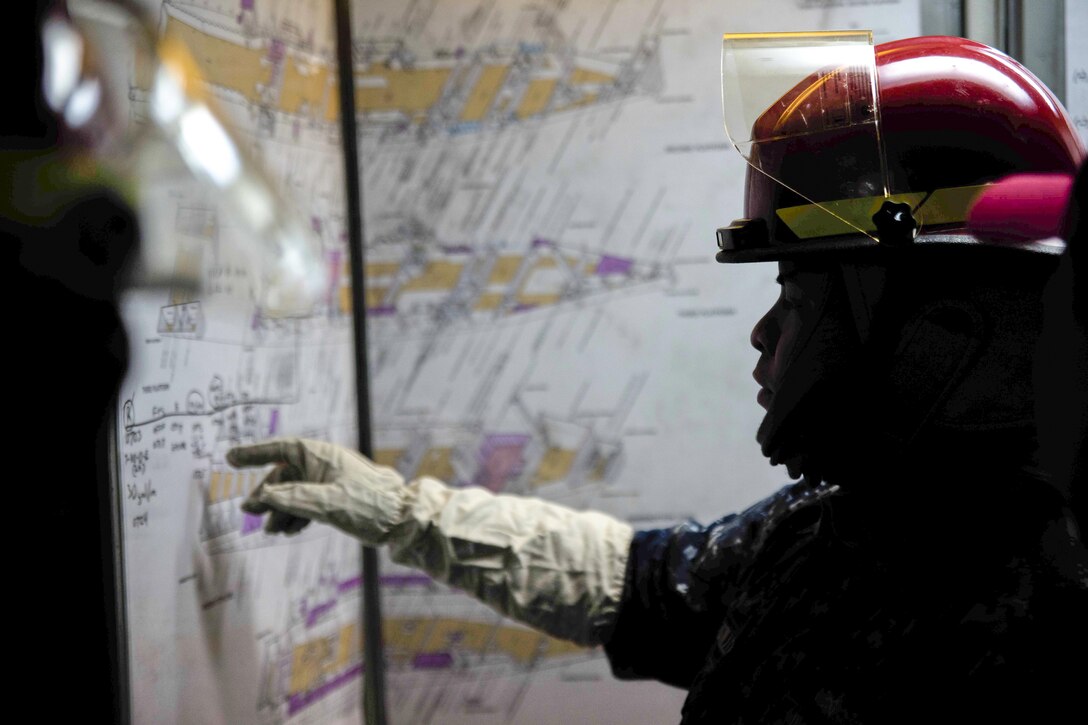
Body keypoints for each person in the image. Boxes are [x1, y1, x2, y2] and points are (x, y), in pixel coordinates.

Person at [228, 35, 1088, 723]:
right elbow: (636, 583)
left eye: (797, 294)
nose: (765, 333)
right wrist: (399, 509)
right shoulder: (840, 525)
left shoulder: (1051, 611)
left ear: (943, 332)